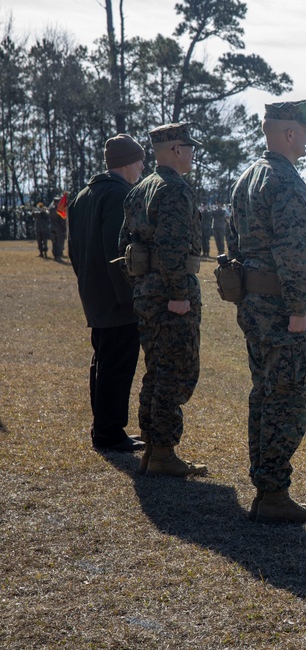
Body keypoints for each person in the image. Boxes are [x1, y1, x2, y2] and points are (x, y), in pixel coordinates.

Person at [229, 99, 306, 521]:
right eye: (305, 131)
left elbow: (236, 242)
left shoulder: (248, 176)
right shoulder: (285, 181)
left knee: (264, 393)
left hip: (254, 302)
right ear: (288, 133)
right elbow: (293, 253)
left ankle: (266, 485)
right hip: (281, 308)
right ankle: (272, 494)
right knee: (288, 398)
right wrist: (297, 309)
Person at [119, 122, 207, 477]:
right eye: (189, 147)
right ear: (174, 150)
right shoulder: (173, 189)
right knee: (177, 371)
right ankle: (163, 453)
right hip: (171, 293)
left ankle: (154, 447)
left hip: (146, 291)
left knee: (157, 370)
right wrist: (178, 295)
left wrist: (142, 285)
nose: (192, 153)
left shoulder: (139, 189)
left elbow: (124, 246)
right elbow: (172, 246)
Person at [67, 134, 146, 452]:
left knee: (103, 361)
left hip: (95, 293)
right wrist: (130, 297)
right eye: (140, 160)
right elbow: (120, 252)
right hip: (118, 298)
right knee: (116, 365)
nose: (143, 166)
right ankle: (109, 432)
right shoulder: (118, 195)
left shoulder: (84, 195)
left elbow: (73, 250)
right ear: (127, 163)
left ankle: (104, 427)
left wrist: (87, 283)